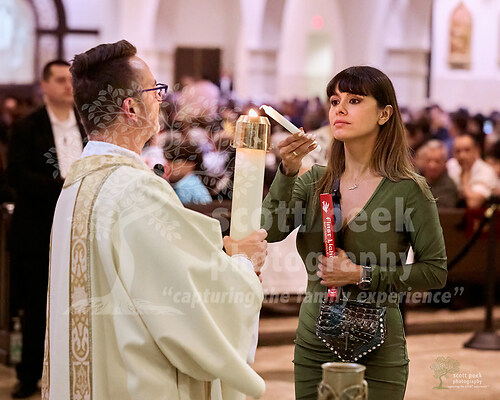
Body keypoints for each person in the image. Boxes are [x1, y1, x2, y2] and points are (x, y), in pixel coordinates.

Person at [42, 40, 266, 400]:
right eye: (154, 90)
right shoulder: (135, 191)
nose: (161, 99)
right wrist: (242, 263)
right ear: (131, 108)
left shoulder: (75, 185)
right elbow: (188, 311)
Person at [262, 66, 447, 399]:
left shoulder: (409, 189)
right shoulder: (313, 180)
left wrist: (362, 274)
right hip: (314, 341)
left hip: (379, 344)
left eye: (355, 100)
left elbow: (435, 272)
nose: (340, 109)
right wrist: (287, 171)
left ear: (384, 114)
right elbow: (271, 230)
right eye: (335, 101)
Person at [7, 60, 86, 398]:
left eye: (71, 80)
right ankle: (29, 376)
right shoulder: (28, 126)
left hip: (78, 228)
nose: (68, 85)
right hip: (37, 228)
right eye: (60, 79)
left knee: (78, 303)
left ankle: (73, 371)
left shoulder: (86, 124)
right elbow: (15, 175)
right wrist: (63, 186)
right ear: (44, 86)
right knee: (36, 304)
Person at [447, 133, 498, 208]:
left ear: (476, 151)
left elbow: (473, 203)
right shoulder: (450, 165)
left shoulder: (486, 171)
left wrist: (465, 177)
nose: (462, 156)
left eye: (467, 150)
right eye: (458, 151)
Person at [421, 140, 459, 208]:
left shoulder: (448, 186)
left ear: (444, 163)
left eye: (437, 161)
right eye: (429, 160)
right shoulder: (415, 180)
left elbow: (442, 211)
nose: (432, 166)